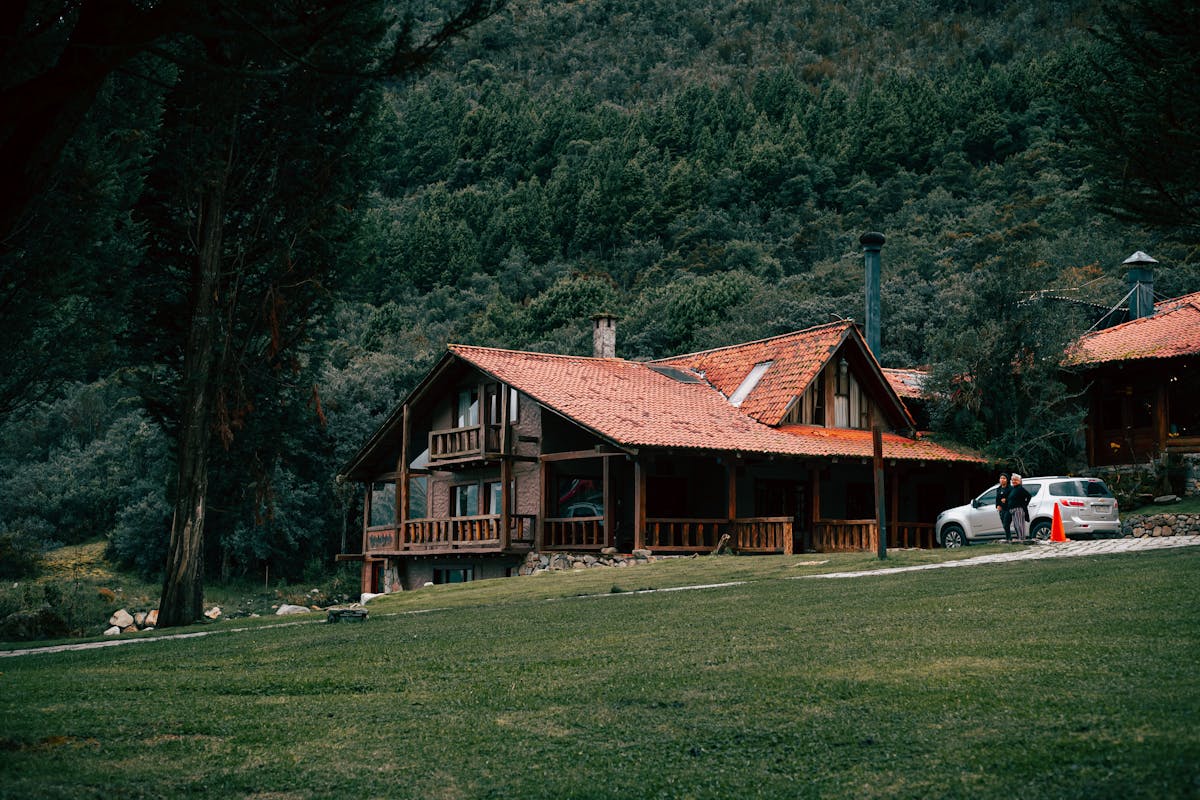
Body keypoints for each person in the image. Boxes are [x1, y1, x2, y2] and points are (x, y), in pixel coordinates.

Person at [1007, 473, 1032, 543]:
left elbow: (1029, 496)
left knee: (1020, 525)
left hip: (1018, 509)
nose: (1013, 481)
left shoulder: (1020, 488)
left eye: (1015, 480)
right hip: (1013, 510)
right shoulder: (1013, 489)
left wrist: (1024, 505)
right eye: (1012, 480)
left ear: (1019, 481)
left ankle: (1022, 539)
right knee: (1016, 526)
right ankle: (1019, 538)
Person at [995, 473, 1012, 542]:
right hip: (1002, 509)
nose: (1002, 480)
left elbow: (1013, 497)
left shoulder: (1010, 488)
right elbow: (997, 499)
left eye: (1004, 478)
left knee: (1006, 523)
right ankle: (1008, 538)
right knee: (1004, 524)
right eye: (1001, 478)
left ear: (1007, 480)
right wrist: (997, 505)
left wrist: (1006, 500)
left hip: (1009, 508)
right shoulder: (998, 489)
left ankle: (1009, 538)